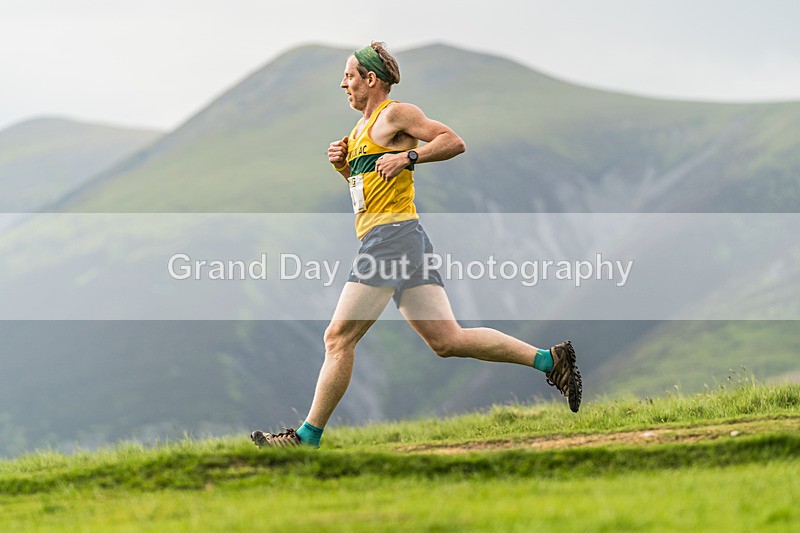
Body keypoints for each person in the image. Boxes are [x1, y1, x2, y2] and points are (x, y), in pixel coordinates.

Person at [251, 42, 581, 448]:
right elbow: (370, 192)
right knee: (447, 341)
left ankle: (306, 438)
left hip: (391, 239)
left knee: (338, 338)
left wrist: (410, 156)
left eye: (350, 76)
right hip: (403, 238)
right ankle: (551, 360)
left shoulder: (396, 114)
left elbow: (453, 141)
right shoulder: (359, 131)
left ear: (371, 79)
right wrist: (344, 166)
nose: (343, 84)